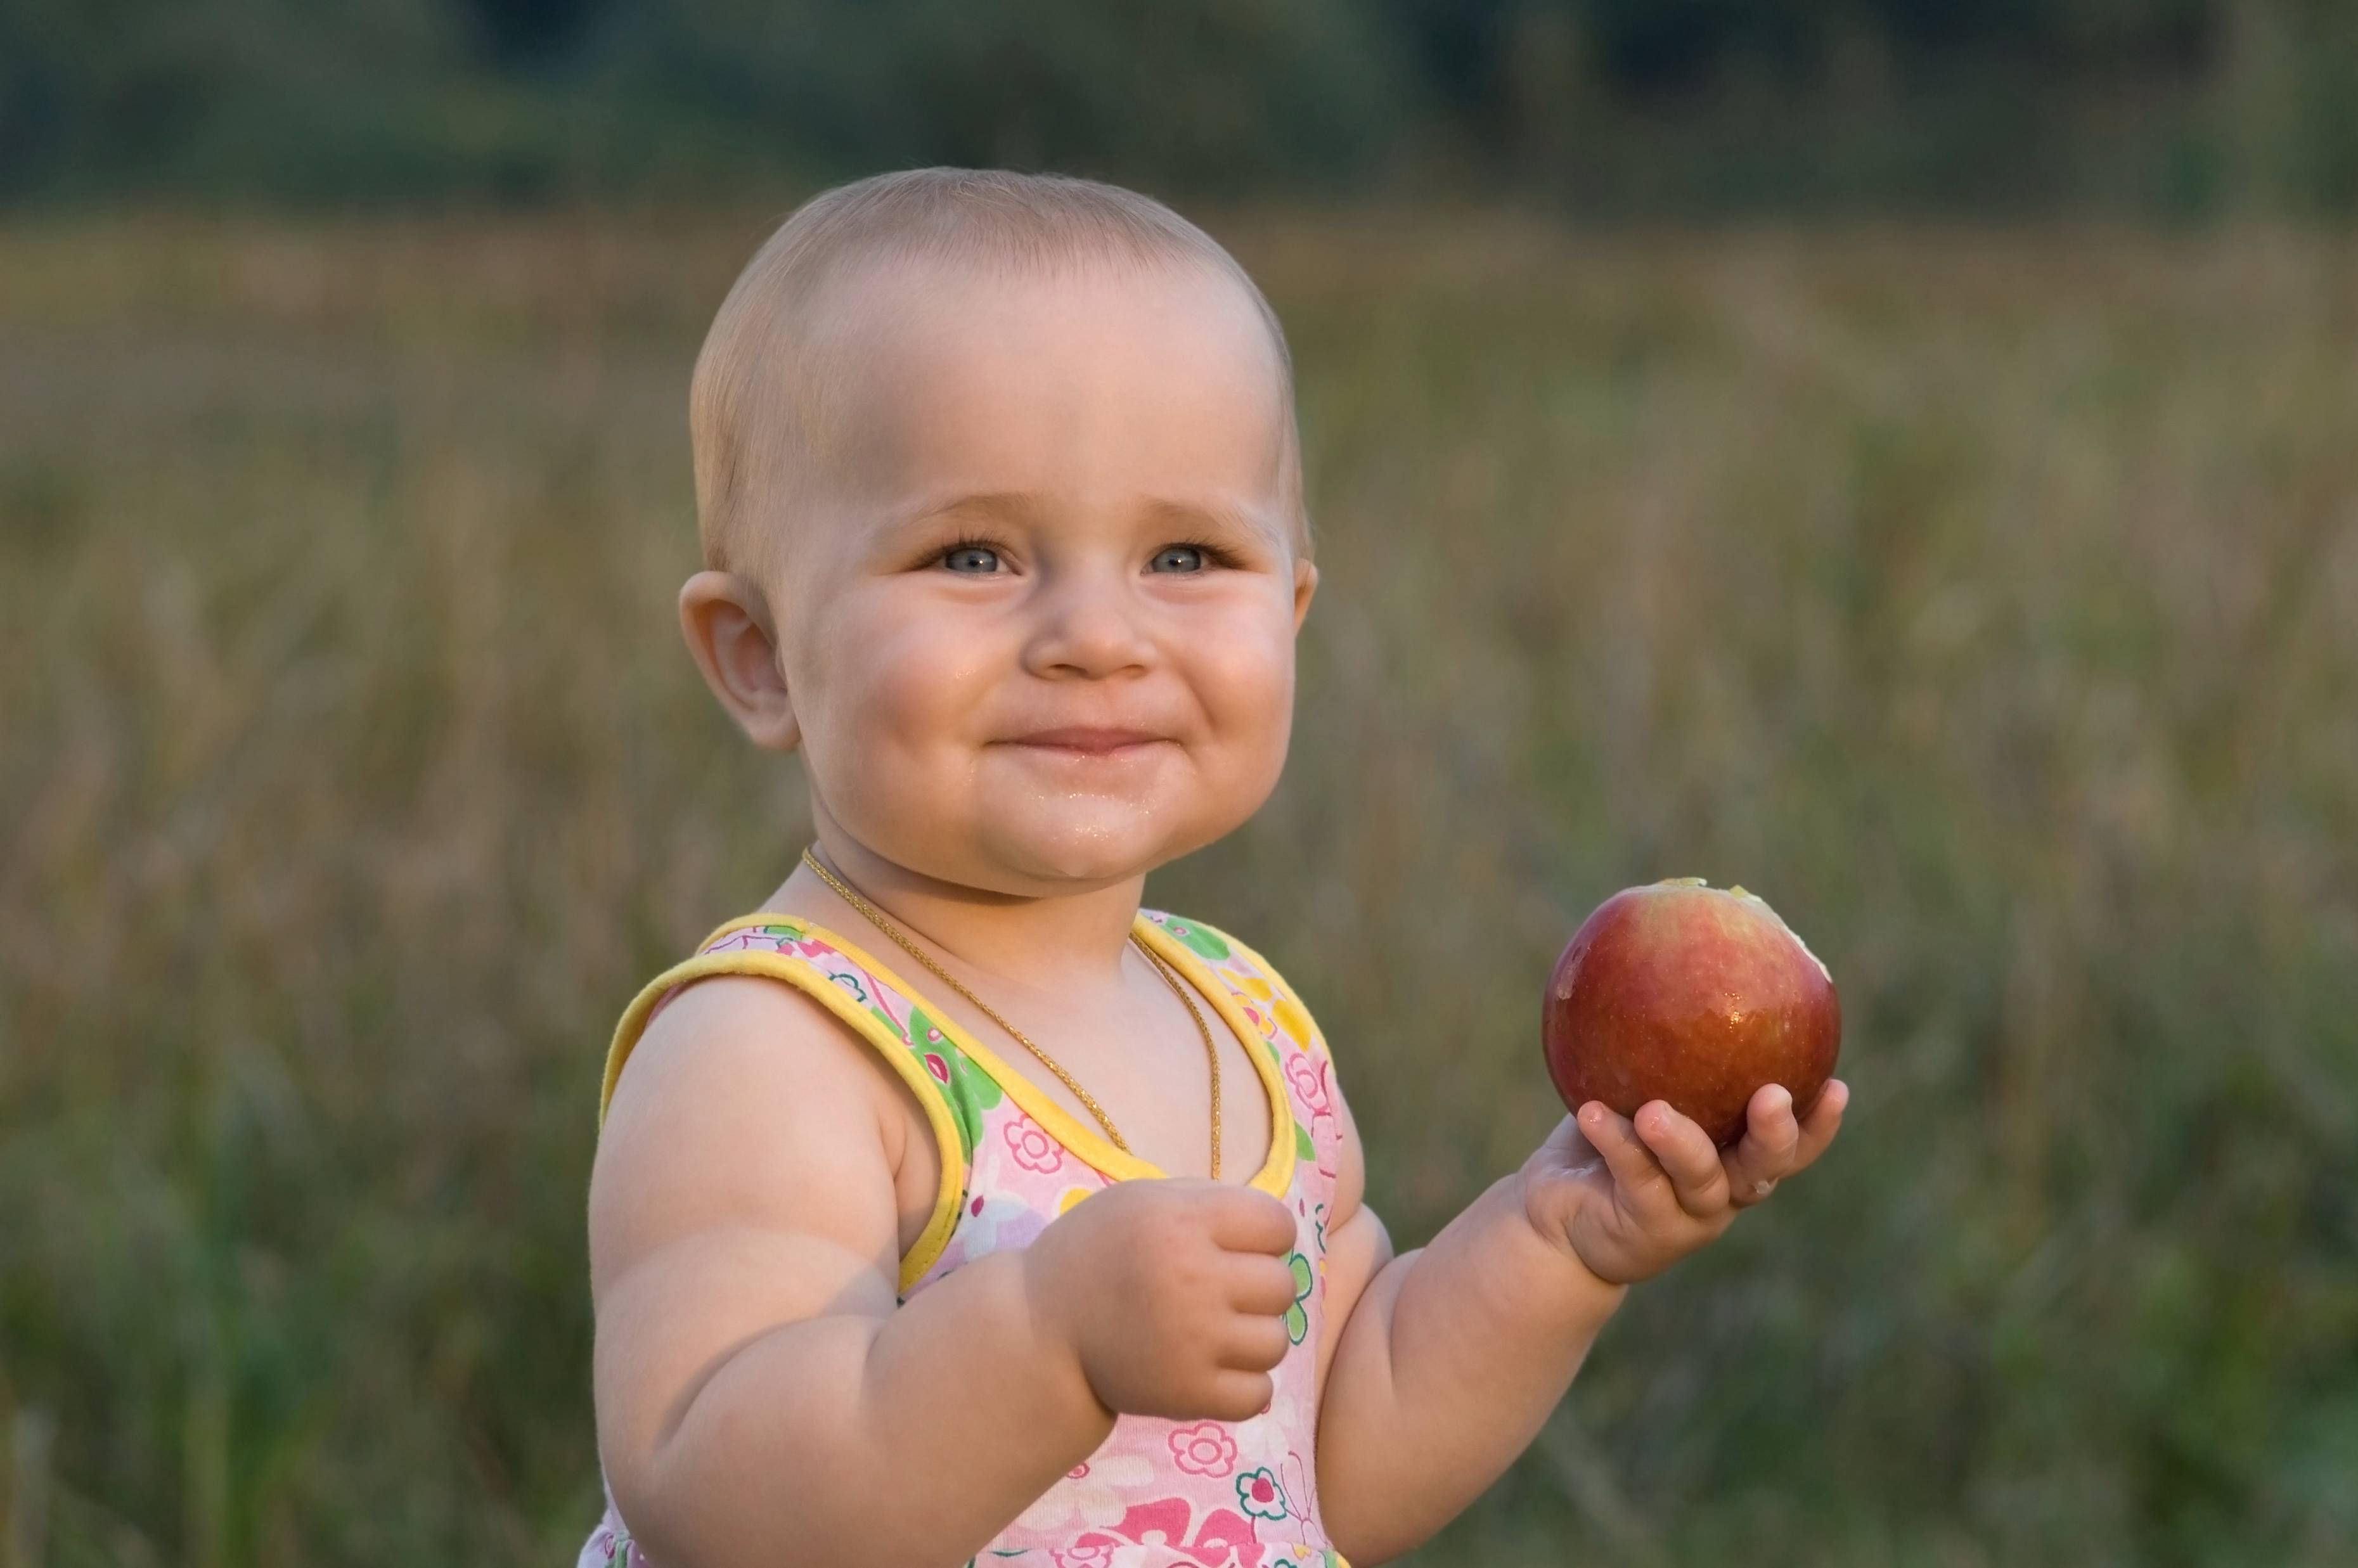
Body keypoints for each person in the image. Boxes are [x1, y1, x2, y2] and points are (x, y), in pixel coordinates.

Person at [577, 167, 1847, 1568]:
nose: (1095, 634)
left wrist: (1562, 1246)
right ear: (759, 658)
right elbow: (712, 1492)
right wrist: (1045, 1339)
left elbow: (1329, 1468)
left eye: (1183, 553)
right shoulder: (774, 1051)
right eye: (974, 553)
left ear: (1291, 608)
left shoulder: (1245, 1023)